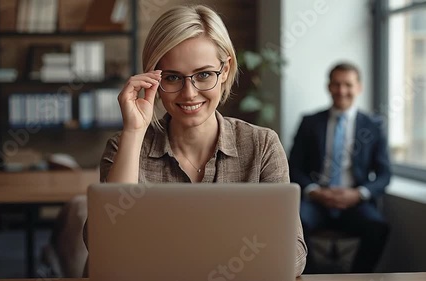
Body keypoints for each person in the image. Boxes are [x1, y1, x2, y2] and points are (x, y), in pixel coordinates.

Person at [96, 4, 306, 277]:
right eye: (172, 77)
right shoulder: (123, 146)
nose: (189, 93)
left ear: (225, 70)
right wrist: (135, 132)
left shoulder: (262, 145)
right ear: (153, 80)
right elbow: (105, 245)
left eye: (204, 74)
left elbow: (293, 256)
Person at [289, 62, 391, 273]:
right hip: (316, 200)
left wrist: (358, 194)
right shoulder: (309, 122)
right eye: (336, 84)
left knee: (378, 228)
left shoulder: (374, 125)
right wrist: (315, 191)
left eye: (348, 85)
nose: (341, 91)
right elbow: (294, 167)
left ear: (359, 87)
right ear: (328, 87)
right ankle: (312, 276)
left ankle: (356, 277)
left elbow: (384, 174)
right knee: (292, 226)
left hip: (355, 202)